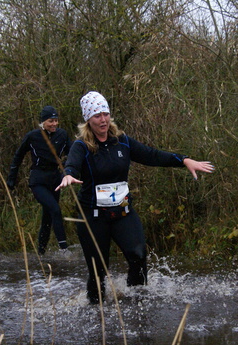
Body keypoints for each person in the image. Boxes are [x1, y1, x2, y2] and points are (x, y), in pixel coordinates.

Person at [56, 91, 214, 303]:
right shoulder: (81, 146)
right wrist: (68, 176)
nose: (103, 120)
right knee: (98, 271)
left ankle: (136, 303)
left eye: (105, 114)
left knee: (138, 257)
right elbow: (72, 165)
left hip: (123, 213)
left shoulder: (122, 142)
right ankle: (96, 316)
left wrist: (184, 160)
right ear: (87, 119)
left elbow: (152, 155)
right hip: (93, 218)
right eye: (97, 116)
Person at [7, 105, 71, 255]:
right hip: (38, 181)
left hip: (55, 180)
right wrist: (12, 179)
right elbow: (18, 156)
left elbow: (73, 153)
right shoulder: (33, 136)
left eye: (56, 120)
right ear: (43, 122)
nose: (54, 124)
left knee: (48, 216)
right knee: (55, 209)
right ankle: (64, 250)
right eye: (51, 121)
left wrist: (70, 171)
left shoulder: (62, 135)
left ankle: (41, 252)